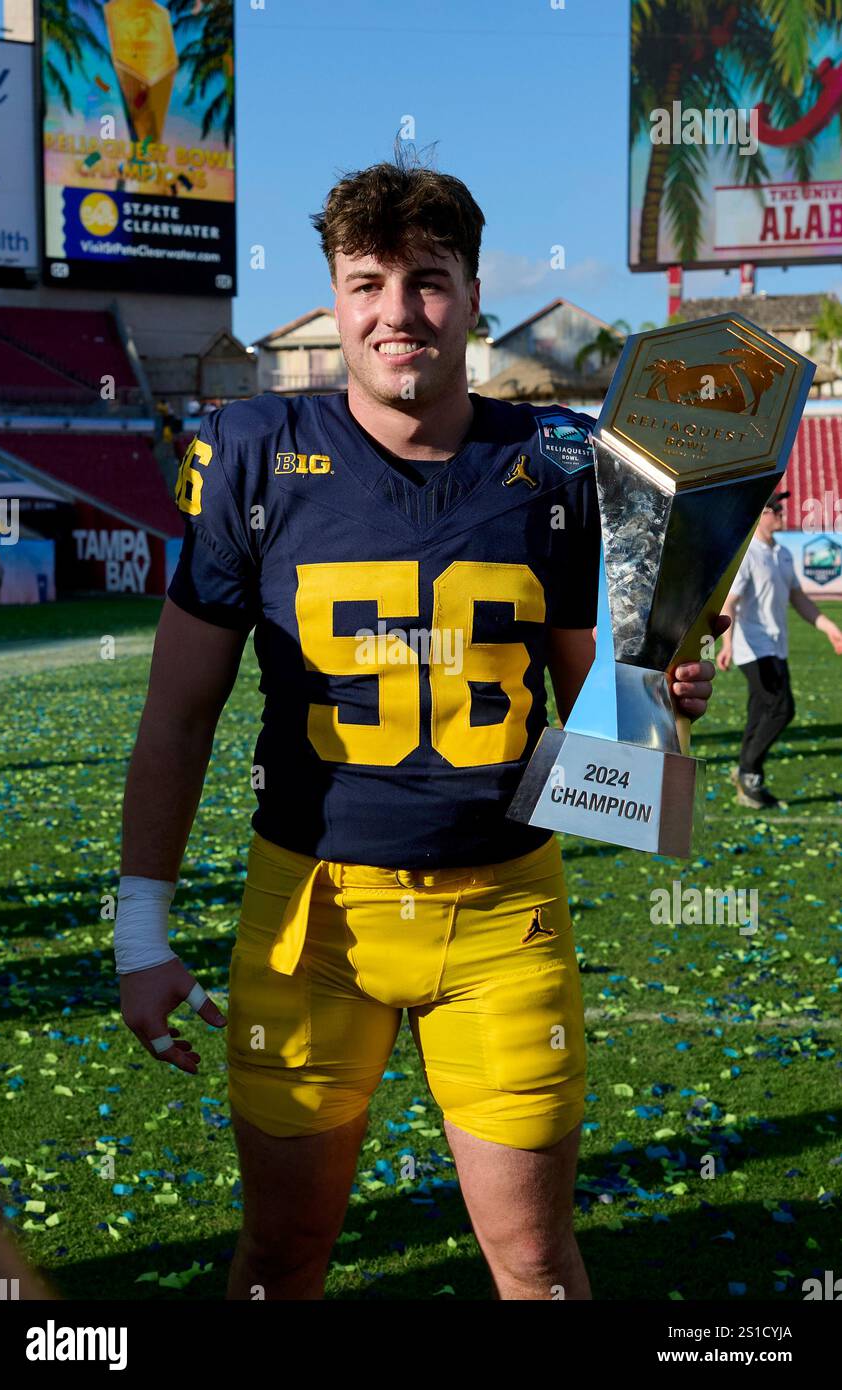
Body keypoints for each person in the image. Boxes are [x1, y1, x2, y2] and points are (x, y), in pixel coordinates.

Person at [115, 155, 721, 1302]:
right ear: (336, 299)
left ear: (473, 294)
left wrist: (654, 698)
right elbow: (178, 713)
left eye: (428, 281)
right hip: (310, 918)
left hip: (502, 916)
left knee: (536, 1266)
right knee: (279, 1260)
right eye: (368, 283)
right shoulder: (253, 453)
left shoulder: (553, 460)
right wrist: (141, 930)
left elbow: (608, 731)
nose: (399, 314)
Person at [718, 491, 842, 808]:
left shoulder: (783, 554)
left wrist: (829, 628)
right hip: (753, 648)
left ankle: (748, 778)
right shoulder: (748, 556)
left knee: (759, 713)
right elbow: (730, 602)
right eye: (775, 509)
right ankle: (748, 772)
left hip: (777, 646)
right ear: (761, 515)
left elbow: (798, 597)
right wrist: (727, 643)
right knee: (782, 709)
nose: (781, 513)